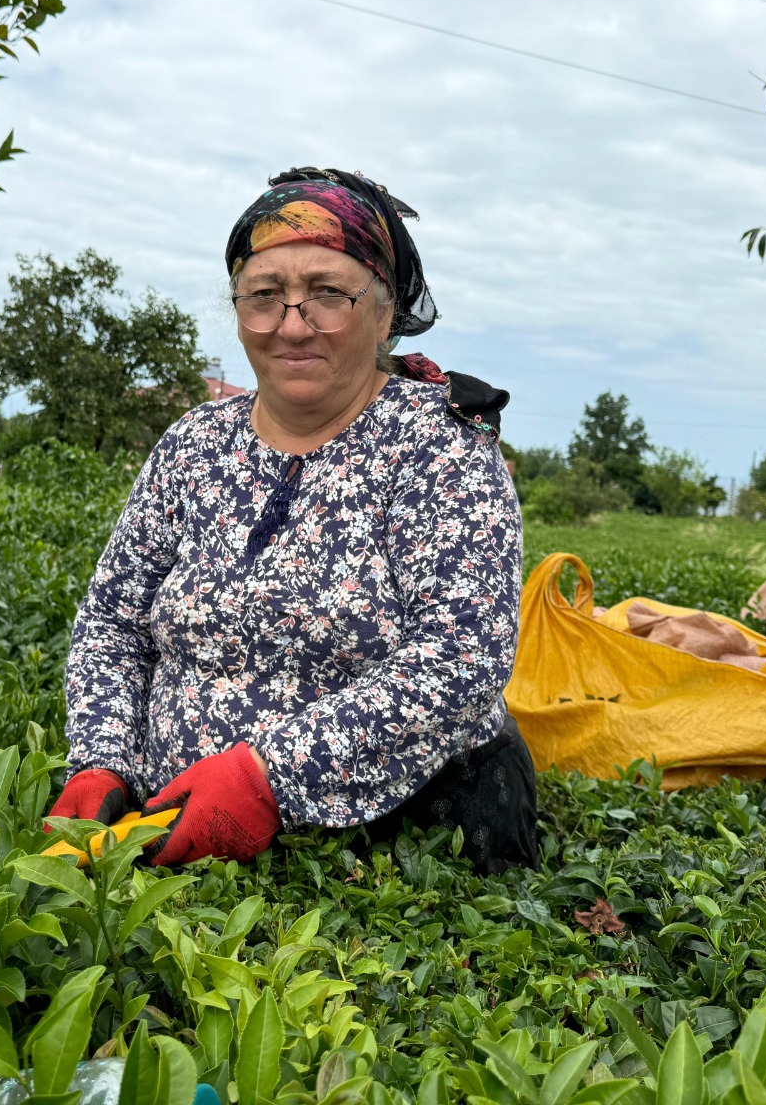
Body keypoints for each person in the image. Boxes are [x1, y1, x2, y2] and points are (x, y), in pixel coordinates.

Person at [52, 167, 536, 873]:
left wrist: (269, 777)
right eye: (265, 297)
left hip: (396, 848)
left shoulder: (441, 445)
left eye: (328, 296)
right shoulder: (194, 443)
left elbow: (463, 657)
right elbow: (114, 621)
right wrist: (100, 761)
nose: (291, 325)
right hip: (168, 831)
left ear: (383, 312)